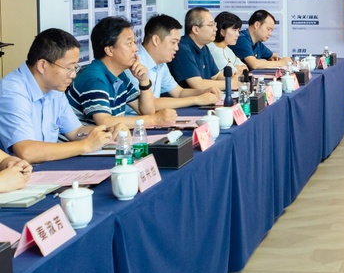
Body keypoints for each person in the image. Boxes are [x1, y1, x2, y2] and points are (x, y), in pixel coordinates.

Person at [0, 28, 117, 163]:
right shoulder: (12, 92)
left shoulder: (55, 87)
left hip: (47, 167)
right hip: (21, 171)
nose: (73, 74)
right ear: (42, 65)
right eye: (69, 68)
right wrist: (85, 145)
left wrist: (108, 132)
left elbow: (76, 131)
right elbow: (27, 151)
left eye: (75, 67)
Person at [67, 16, 177, 129]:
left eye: (134, 42)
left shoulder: (120, 75)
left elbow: (146, 111)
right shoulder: (94, 78)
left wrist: (144, 81)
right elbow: (105, 122)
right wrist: (154, 119)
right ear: (109, 50)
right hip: (85, 139)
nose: (136, 48)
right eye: (129, 43)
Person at [128, 14, 221, 110]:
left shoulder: (161, 64)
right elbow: (149, 104)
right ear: (156, 40)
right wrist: (196, 99)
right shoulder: (134, 64)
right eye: (173, 42)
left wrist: (204, 92)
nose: (177, 48)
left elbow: (179, 92)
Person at [168, 7, 228, 91]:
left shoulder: (204, 47)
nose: (215, 29)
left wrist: (237, 79)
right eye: (210, 25)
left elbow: (216, 76)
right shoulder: (182, 49)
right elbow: (198, 84)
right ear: (196, 29)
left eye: (215, 24)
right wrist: (230, 83)